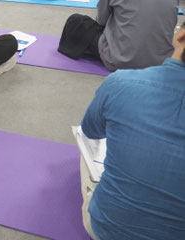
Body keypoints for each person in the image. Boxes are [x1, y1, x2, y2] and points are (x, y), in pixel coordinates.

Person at [78, 21, 185, 240]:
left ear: (180, 36)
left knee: (86, 144)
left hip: (107, 230)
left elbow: (90, 130)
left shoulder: (121, 83)